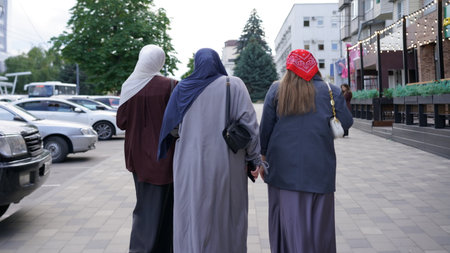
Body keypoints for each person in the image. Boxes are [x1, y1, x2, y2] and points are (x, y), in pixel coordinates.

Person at [158, 48, 261, 253]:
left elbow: (172, 128)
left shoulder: (183, 88)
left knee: (193, 213)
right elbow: (250, 126)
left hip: (190, 163)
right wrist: (254, 159)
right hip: (226, 163)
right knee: (227, 214)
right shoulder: (234, 85)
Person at [259, 49, 353, 253]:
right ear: (314, 67)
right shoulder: (331, 91)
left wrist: (262, 160)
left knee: (288, 223)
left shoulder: (277, 90)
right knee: (319, 228)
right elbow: (346, 123)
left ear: (289, 68)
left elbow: (265, 131)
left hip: (282, 171)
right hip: (320, 170)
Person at [117, 45, 177, 253]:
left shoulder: (129, 85)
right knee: (166, 208)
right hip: (165, 156)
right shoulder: (170, 85)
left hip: (138, 158)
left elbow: (121, 122)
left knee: (145, 205)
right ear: (160, 61)